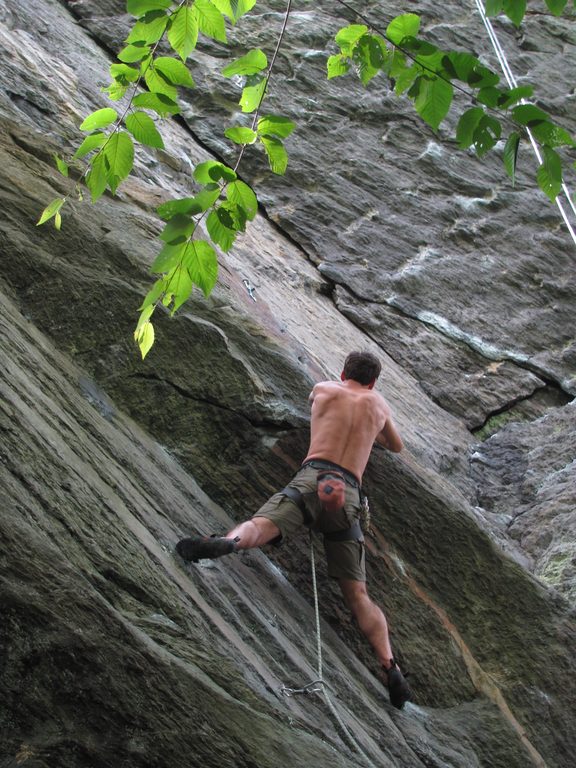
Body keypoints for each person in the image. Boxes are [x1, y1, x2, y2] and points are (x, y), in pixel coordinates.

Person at [176, 351, 411, 709]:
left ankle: (228, 542)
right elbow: (396, 446)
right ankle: (389, 664)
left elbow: (317, 405)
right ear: (374, 382)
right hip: (347, 492)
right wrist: (370, 430)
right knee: (359, 596)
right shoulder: (379, 407)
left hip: (312, 477)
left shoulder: (324, 388)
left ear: (344, 371)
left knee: (259, 526)